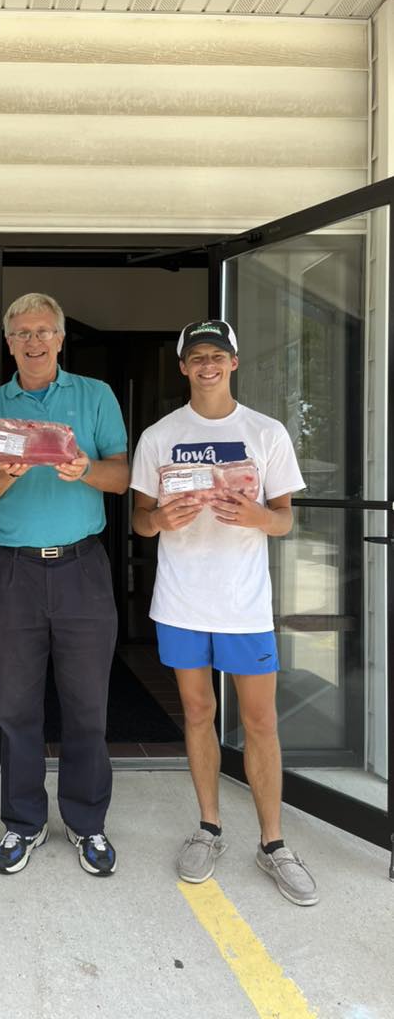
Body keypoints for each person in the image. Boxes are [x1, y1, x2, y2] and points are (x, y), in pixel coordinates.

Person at [130, 319, 318, 906]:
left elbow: (286, 518)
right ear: (182, 366)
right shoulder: (159, 435)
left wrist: (258, 517)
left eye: (217, 355)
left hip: (244, 604)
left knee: (261, 723)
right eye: (196, 357)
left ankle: (274, 843)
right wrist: (161, 519)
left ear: (234, 363)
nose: (207, 365)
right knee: (196, 711)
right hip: (182, 600)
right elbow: (139, 518)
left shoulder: (266, 433)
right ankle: (209, 826)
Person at [0, 293, 128, 876]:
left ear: (61, 339)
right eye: (22, 333)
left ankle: (87, 822)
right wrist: (3, 477)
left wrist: (85, 468)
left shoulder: (95, 396)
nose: (33, 341)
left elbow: (123, 474)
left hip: (82, 566)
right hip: (13, 570)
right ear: (9, 343)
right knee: (15, 706)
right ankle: (23, 823)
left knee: (87, 704)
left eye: (43, 331)